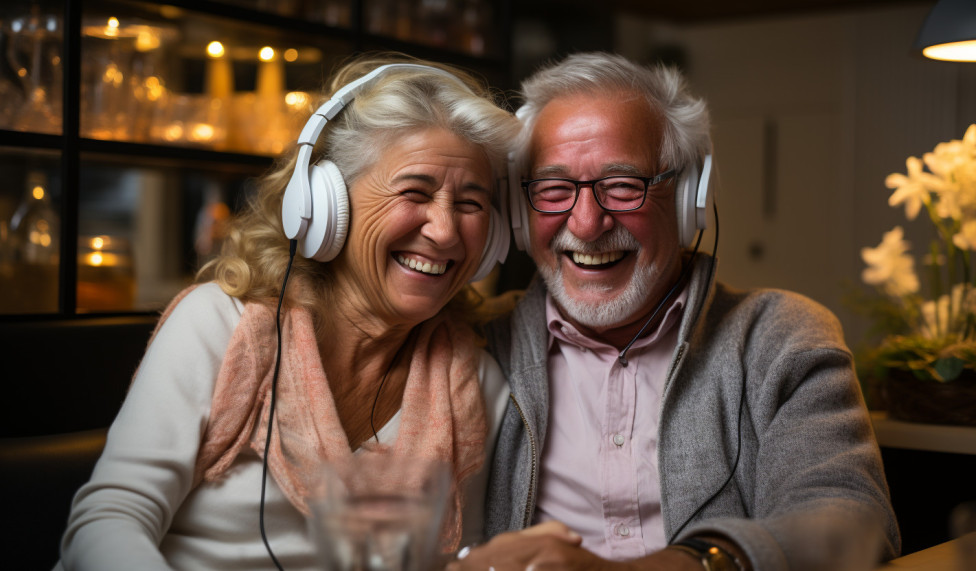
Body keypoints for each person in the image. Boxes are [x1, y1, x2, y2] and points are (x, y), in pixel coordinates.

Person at [56, 54, 519, 570]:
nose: (446, 231)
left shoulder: (475, 381)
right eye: (415, 192)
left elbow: (462, 557)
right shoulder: (216, 326)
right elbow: (110, 519)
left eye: (471, 204)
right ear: (323, 204)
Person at [454, 52, 901, 570]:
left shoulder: (781, 336)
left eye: (622, 184)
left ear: (690, 198)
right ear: (519, 209)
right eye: (554, 188)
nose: (587, 222)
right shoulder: (477, 341)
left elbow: (851, 522)